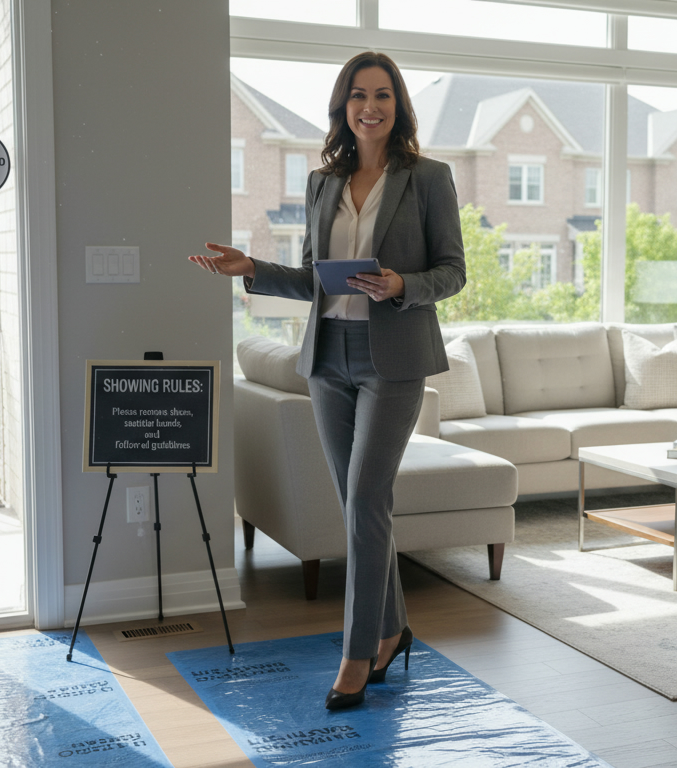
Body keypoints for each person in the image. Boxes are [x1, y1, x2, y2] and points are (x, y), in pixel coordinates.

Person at [189, 51, 465, 710]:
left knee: (367, 501)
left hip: (392, 358)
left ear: (398, 106)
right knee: (359, 508)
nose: (370, 106)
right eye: (358, 95)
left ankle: (355, 653)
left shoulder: (429, 178)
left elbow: (452, 272)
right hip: (327, 357)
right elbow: (316, 276)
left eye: (383, 95)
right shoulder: (323, 182)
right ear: (343, 106)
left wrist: (403, 284)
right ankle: (394, 631)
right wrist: (251, 266)